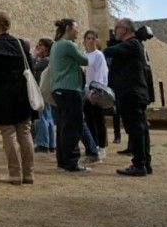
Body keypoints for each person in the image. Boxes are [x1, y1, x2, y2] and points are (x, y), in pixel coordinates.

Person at [0, 11, 37, 185]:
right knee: (25, 133)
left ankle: (14, 173)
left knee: (8, 133)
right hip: (22, 94)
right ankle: (29, 174)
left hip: (2, 94)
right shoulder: (21, 44)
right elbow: (31, 69)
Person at [103, 17, 152, 177]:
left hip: (131, 94)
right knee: (141, 128)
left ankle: (139, 164)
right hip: (135, 93)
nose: (115, 31)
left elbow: (109, 52)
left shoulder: (132, 44)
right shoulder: (134, 44)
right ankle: (145, 162)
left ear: (124, 29)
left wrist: (109, 44)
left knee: (136, 129)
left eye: (117, 28)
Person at [50, 19, 96, 173]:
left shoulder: (56, 45)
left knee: (63, 127)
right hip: (70, 90)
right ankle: (71, 162)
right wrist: (85, 48)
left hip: (59, 90)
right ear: (68, 28)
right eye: (76, 28)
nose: (78, 31)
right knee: (73, 127)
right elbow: (85, 60)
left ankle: (63, 161)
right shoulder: (68, 45)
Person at [83, 29, 110, 154]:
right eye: (88, 38)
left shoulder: (99, 55)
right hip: (86, 91)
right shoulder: (83, 55)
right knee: (89, 119)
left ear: (97, 40)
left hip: (96, 91)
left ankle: (102, 146)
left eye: (93, 38)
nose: (90, 41)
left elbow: (101, 73)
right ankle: (93, 144)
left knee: (99, 119)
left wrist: (96, 88)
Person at [31, 38, 56, 154]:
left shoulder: (45, 60)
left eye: (41, 45)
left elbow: (33, 67)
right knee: (48, 116)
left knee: (42, 117)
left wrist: (34, 55)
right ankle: (51, 144)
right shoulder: (50, 59)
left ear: (46, 48)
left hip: (43, 91)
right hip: (48, 91)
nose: (38, 47)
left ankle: (43, 143)